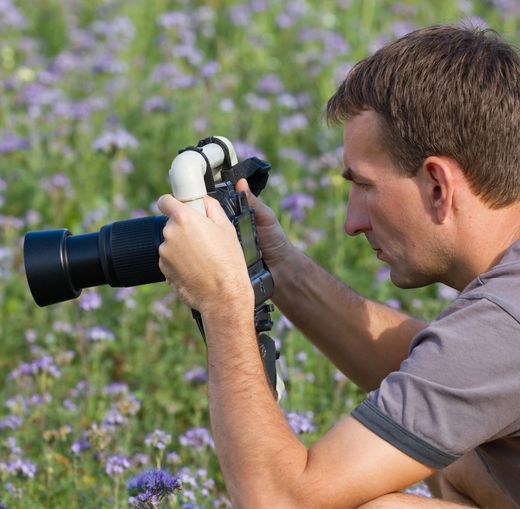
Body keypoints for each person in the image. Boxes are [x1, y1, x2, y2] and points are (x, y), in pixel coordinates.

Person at [157, 24, 520, 509]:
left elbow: (281, 501)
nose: (352, 222)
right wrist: (275, 265)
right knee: (464, 458)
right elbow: (440, 371)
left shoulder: (504, 322)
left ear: (437, 185)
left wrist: (223, 301)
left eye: (365, 186)